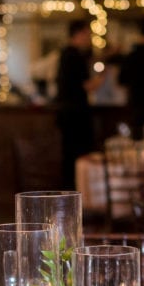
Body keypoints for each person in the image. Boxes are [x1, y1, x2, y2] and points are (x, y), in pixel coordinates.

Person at [55, 19, 102, 190]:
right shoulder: (75, 55)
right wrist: (101, 77)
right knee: (79, 157)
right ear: (79, 33)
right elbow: (88, 86)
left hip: (67, 114)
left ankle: (73, 193)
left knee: (70, 158)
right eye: (87, 34)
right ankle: (79, 194)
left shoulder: (64, 54)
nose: (89, 38)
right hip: (76, 116)